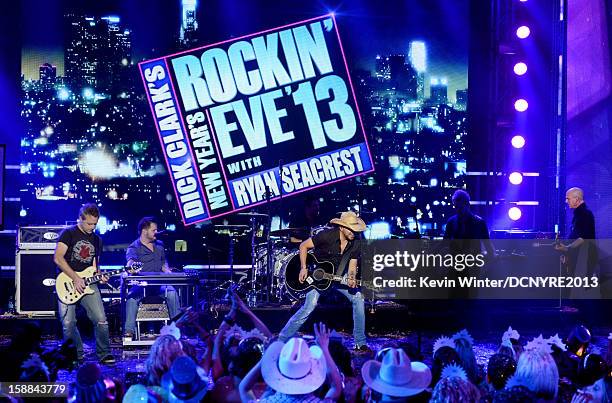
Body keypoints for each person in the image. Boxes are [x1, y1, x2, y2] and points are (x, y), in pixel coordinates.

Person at [278, 211, 369, 352]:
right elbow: (303, 246)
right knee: (309, 306)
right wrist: (303, 268)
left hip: (337, 277)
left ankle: (360, 343)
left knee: (358, 298)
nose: (353, 233)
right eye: (351, 229)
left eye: (355, 230)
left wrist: (351, 278)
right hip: (318, 277)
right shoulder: (326, 236)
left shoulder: (356, 243)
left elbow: (352, 265)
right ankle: (281, 340)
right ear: (342, 227)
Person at [53, 203, 114, 364]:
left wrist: (100, 276)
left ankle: (104, 353)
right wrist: (75, 278)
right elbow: (58, 258)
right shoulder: (68, 233)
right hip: (67, 281)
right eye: (89, 223)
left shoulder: (97, 240)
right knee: (68, 323)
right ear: (80, 219)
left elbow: (95, 266)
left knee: (101, 319)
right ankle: (76, 355)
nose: (92, 227)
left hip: (88, 283)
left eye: (95, 223)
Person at [124, 217, 180, 339]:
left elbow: (163, 263)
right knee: (131, 298)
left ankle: (177, 329)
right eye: (154, 230)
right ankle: (129, 332)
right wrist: (131, 267)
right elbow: (130, 262)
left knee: (172, 293)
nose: (156, 232)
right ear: (144, 231)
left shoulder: (160, 245)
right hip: (141, 285)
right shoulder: (133, 247)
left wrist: (167, 270)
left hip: (159, 285)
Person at [555, 187, 598, 277]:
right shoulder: (579, 214)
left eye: (568, 198)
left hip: (583, 262)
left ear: (577, 199)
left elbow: (583, 237)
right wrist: (567, 253)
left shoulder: (585, 214)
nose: (566, 201)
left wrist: (567, 248)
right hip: (579, 261)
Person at [443, 189, 495, 257]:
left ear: (467, 204)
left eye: (460, 208)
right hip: (466, 263)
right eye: (456, 207)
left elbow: (488, 246)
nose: (458, 210)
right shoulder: (479, 222)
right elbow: (488, 247)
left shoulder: (479, 223)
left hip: (461, 263)